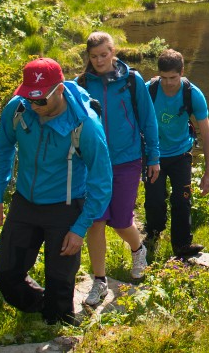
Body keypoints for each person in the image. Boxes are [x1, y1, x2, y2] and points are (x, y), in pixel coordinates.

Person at [0, 57, 112, 326]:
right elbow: (2, 148)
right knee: (6, 273)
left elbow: (102, 181)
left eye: (40, 100)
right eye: (29, 98)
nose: (33, 105)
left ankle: (59, 322)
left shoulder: (86, 126)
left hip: (65, 207)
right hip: (25, 203)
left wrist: (80, 228)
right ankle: (42, 305)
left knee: (61, 281)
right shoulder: (18, 109)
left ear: (60, 90)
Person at [75, 32, 159, 306]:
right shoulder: (82, 84)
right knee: (96, 220)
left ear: (113, 52)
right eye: (94, 56)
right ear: (88, 57)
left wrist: (154, 157)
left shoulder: (132, 81)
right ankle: (99, 281)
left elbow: (148, 120)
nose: (99, 60)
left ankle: (138, 248)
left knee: (121, 221)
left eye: (104, 54)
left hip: (127, 159)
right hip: (94, 162)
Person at [143, 48, 209, 262]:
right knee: (154, 200)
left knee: (182, 199)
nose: (168, 83)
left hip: (181, 153)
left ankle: (182, 244)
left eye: (173, 77)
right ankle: (154, 233)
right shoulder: (150, 90)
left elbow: (207, 135)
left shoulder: (193, 94)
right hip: (153, 154)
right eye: (163, 77)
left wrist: (208, 173)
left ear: (182, 72)